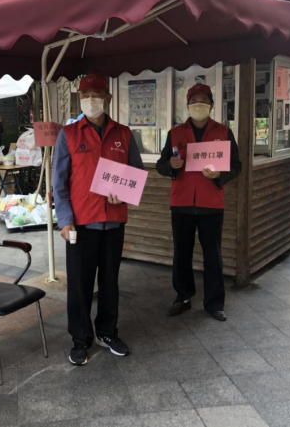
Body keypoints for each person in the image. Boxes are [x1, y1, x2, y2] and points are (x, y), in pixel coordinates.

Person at [53, 73, 144, 366]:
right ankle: (80, 338)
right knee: (79, 284)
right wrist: (65, 220)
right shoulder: (68, 134)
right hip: (80, 223)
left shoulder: (124, 134)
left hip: (113, 221)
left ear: (108, 98)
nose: (90, 99)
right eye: (85, 95)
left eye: (96, 94)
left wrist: (125, 195)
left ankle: (107, 332)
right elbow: (59, 182)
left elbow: (136, 175)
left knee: (109, 281)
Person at [156, 83, 241, 322]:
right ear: (187, 105)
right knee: (181, 253)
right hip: (181, 203)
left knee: (212, 255)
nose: (198, 105)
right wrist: (171, 166)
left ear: (211, 105)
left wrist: (220, 176)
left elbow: (237, 166)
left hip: (211, 203)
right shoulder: (176, 133)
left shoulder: (223, 132)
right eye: (194, 101)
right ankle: (183, 296)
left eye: (203, 100)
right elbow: (161, 164)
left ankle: (214, 303)